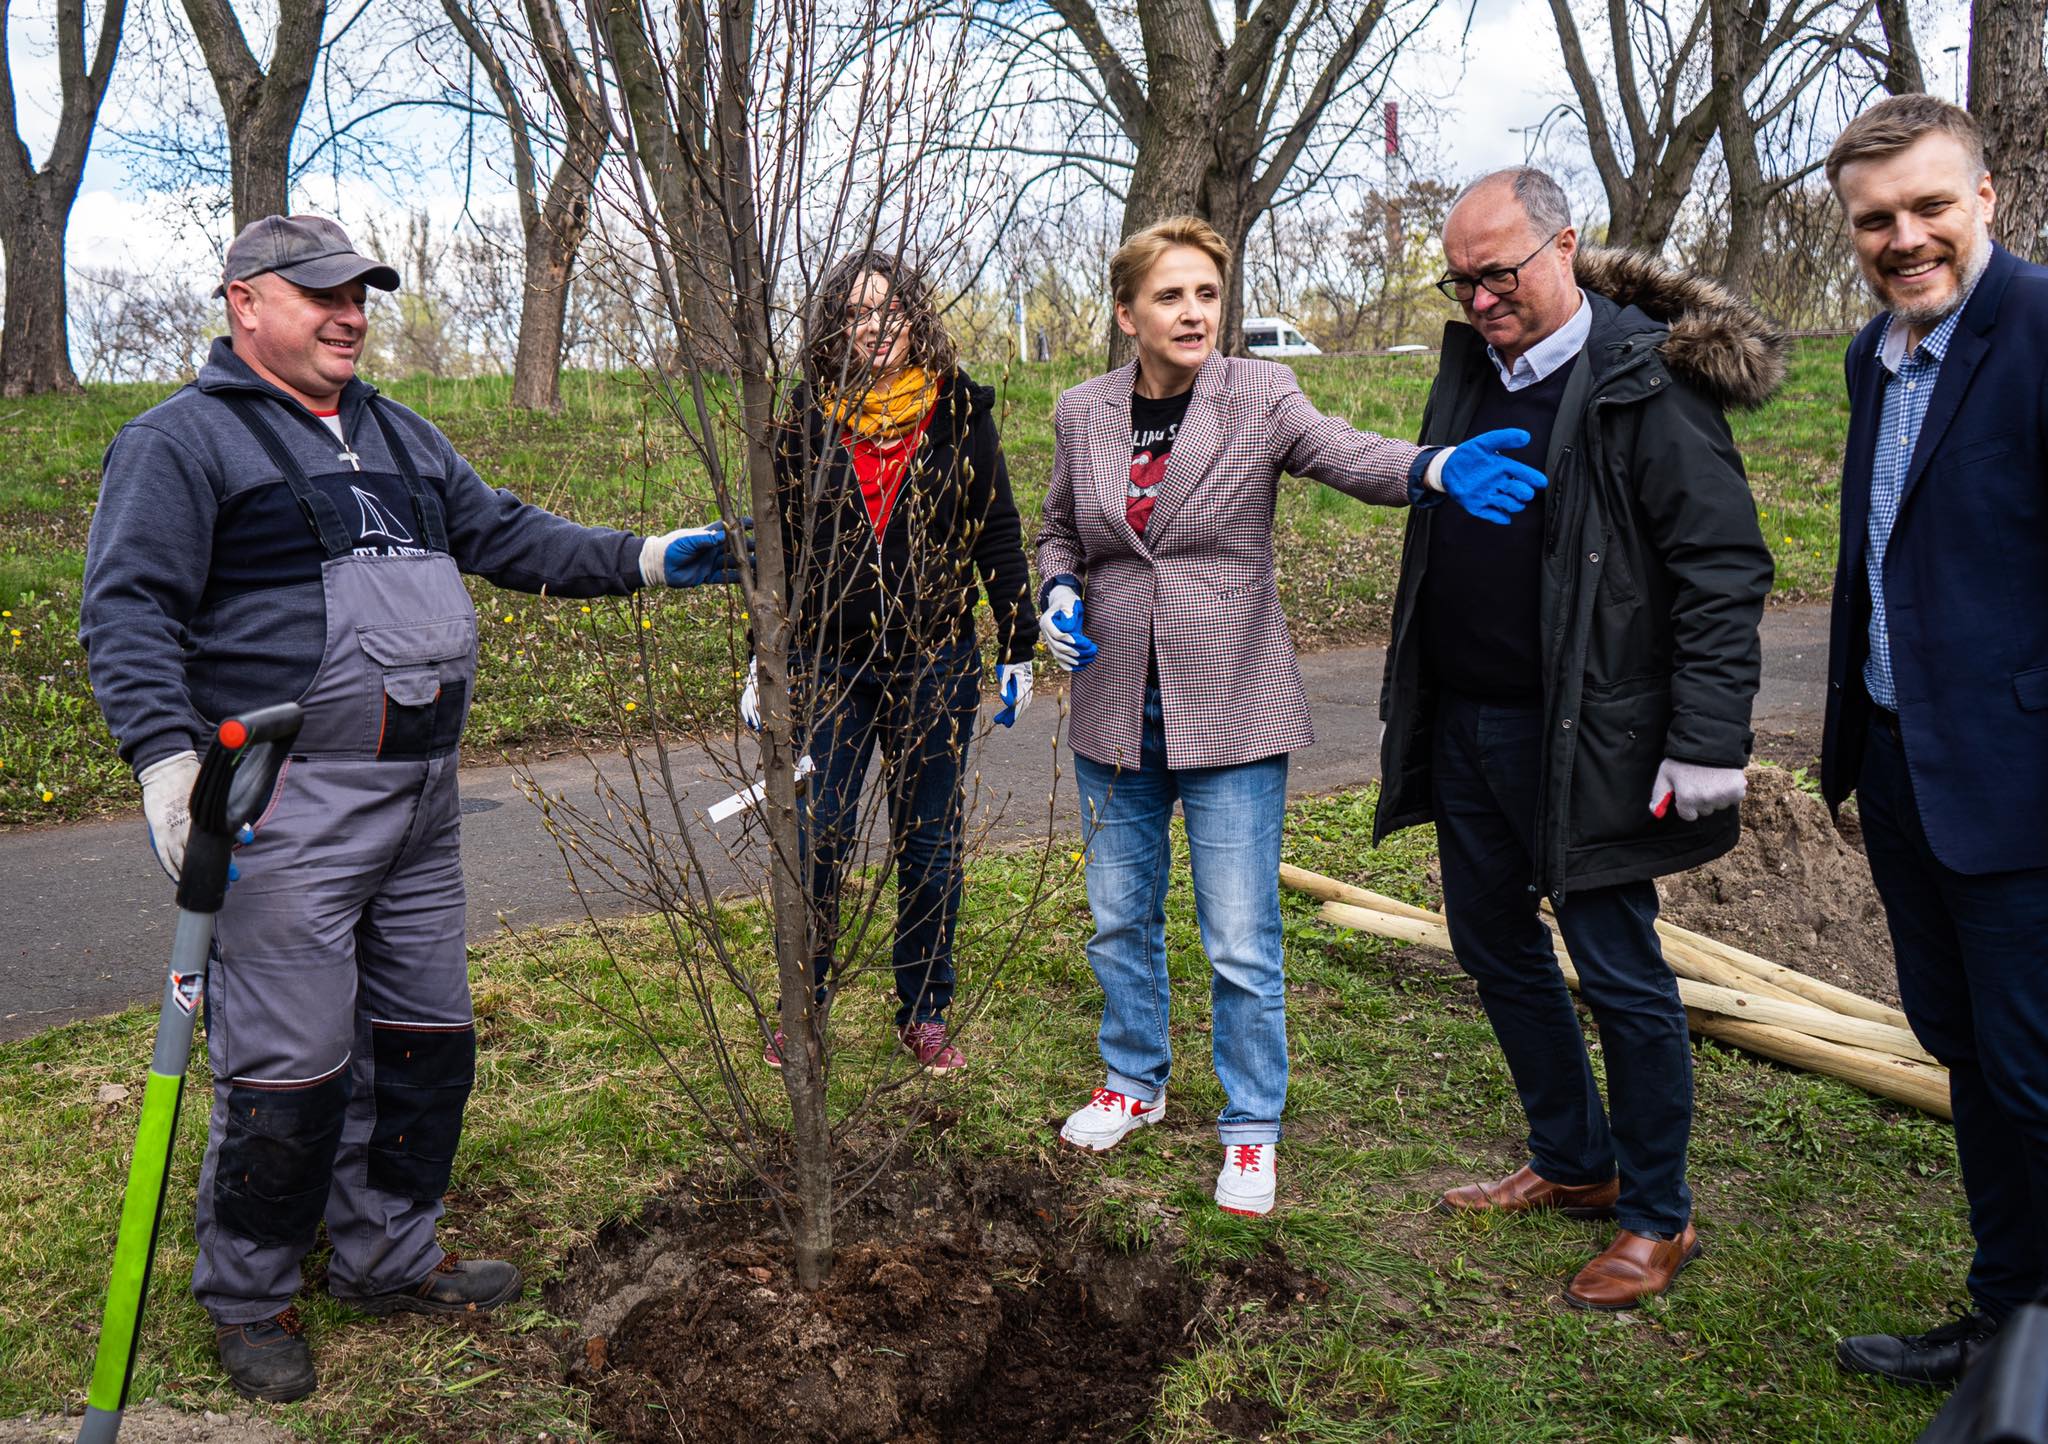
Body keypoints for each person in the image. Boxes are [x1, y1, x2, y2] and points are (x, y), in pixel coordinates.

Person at [77, 215, 743, 1403]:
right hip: (285, 806)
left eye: (362, 295)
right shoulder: (180, 443)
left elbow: (505, 533)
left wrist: (648, 556)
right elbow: (128, 612)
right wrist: (166, 765)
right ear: (244, 301)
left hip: (421, 802)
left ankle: (385, 1253)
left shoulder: (394, 432)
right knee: (290, 1066)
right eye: (322, 294)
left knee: (424, 1040)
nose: (350, 315)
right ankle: (250, 1292)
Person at [1036, 215, 1547, 1217]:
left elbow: (1342, 452)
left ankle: (1249, 1129)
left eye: (1206, 295)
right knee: (1115, 919)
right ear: (1125, 312)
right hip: (1111, 707)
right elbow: (1058, 530)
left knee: (1238, 936)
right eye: (1169, 296)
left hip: (1228, 700)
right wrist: (1054, 596)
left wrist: (1432, 469)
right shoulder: (1078, 409)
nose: (1191, 312)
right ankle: (1131, 1081)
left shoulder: (1258, 393)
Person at [1373, 168, 1778, 1308]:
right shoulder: (1469, 373)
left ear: (1562, 246)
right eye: (1458, 282)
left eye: (1496, 274)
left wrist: (1705, 739)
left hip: (1590, 738)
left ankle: (1657, 1214)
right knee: (1491, 942)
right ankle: (1573, 1161)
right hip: (1468, 724)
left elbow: (1720, 566)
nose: (1478, 300)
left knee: (1618, 969)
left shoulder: (1643, 383)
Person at [1818, 97, 2048, 1387]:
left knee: (2034, 1078)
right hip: (1905, 768)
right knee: (1968, 1059)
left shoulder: (2037, 331)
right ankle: (2004, 1321)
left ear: (1986, 196)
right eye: (1874, 220)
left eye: (1927, 207)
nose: (1903, 238)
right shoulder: (1874, 357)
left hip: (2018, 787)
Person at [750, 249, 1037, 1074]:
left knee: (931, 843)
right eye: (857, 314)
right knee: (819, 836)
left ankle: (924, 1009)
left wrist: (1018, 641)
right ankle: (802, 1010)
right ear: (835, 327)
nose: (876, 328)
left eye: (890, 310)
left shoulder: (958, 412)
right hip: (830, 661)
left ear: (916, 317)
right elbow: (779, 552)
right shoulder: (804, 418)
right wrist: (760, 664)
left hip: (935, 659)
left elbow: (998, 530)